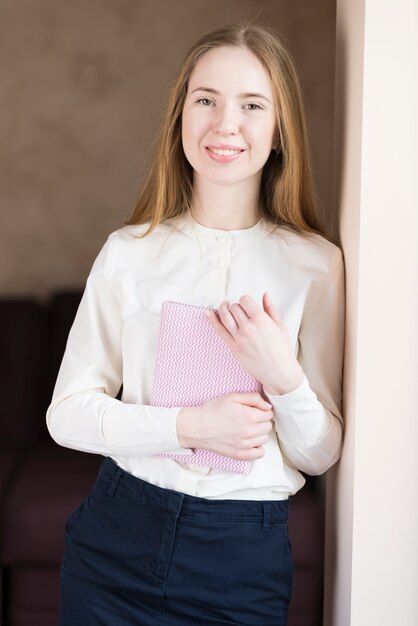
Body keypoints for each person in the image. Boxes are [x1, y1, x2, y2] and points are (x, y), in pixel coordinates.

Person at [47, 21, 345, 626]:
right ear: (180, 116)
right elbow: (67, 415)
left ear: (280, 128)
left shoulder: (316, 266)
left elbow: (319, 454)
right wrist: (189, 426)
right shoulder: (129, 251)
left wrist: (282, 377)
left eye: (252, 105)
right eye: (205, 100)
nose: (224, 124)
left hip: (241, 557)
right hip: (115, 540)